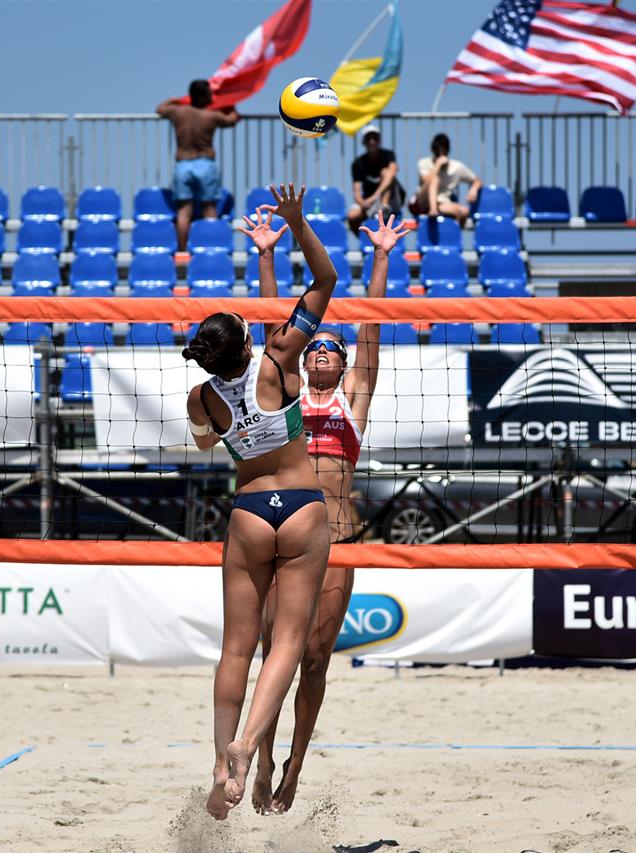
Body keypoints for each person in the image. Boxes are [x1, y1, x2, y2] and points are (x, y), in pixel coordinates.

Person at [184, 183, 338, 821]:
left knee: (235, 649)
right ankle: (249, 746)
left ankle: (221, 766)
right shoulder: (278, 360)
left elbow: (202, 445)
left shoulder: (202, 398)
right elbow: (326, 280)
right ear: (248, 343)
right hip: (301, 506)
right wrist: (297, 223)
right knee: (289, 643)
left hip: (249, 512)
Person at [249, 209, 409, 815]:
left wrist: (382, 256)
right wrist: (267, 254)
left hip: (338, 540)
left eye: (330, 349)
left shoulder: (351, 402)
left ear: (342, 364)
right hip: (283, 533)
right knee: (275, 654)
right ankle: (263, 758)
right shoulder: (285, 398)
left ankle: (294, 767)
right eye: (314, 345)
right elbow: (275, 332)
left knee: (314, 660)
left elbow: (371, 330)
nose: (319, 351)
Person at [157, 79, 241, 251]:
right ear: (204, 97)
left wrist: (174, 99)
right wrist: (229, 103)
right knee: (209, 209)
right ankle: (211, 249)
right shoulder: (212, 116)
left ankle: (182, 251)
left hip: (183, 165)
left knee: (183, 211)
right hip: (205, 165)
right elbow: (232, 119)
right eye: (210, 94)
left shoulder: (178, 112)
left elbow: (160, 109)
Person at [409, 132, 483, 221]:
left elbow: (477, 180)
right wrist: (437, 165)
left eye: (443, 151)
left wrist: (474, 189)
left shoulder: (456, 167)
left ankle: (454, 225)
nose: (441, 154)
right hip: (422, 202)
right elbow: (426, 180)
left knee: (464, 211)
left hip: (442, 203)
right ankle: (433, 210)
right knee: (435, 179)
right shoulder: (423, 162)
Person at [346, 124, 405, 235]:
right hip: (370, 202)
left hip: (391, 200)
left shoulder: (388, 155)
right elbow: (357, 191)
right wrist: (363, 203)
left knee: (386, 172)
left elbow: (392, 172)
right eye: (368, 138)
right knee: (352, 216)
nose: (372, 141)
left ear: (380, 140)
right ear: (364, 142)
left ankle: (385, 206)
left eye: (375, 138)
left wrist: (375, 197)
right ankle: (366, 240)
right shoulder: (357, 163)